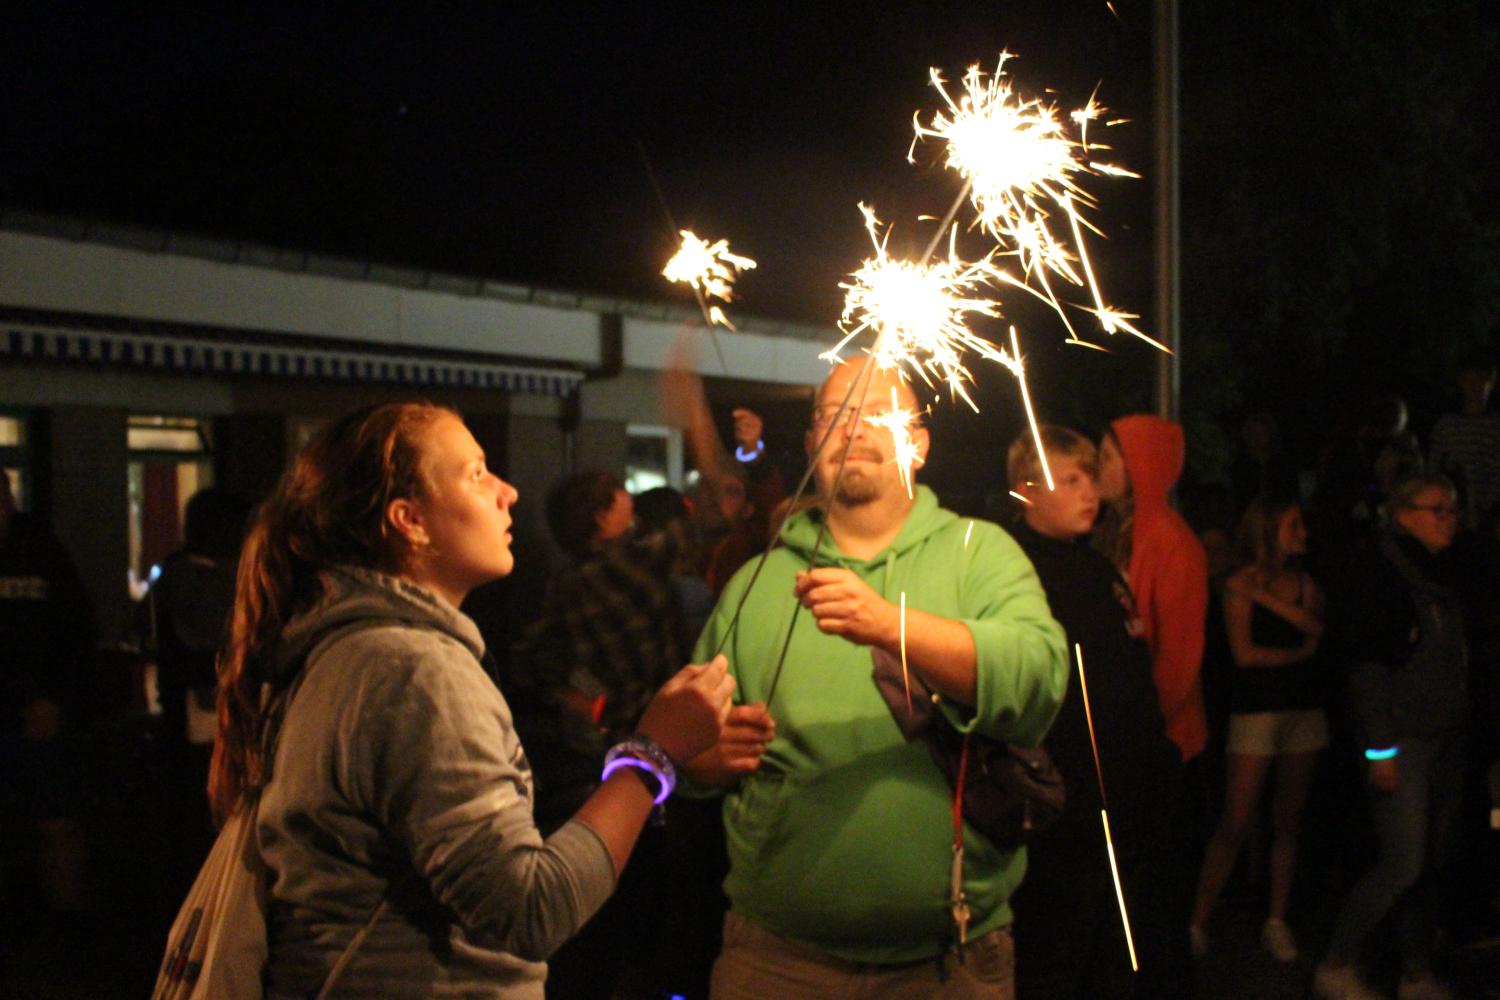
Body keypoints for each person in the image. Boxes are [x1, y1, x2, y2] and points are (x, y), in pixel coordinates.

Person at [207, 401, 734, 998]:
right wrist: (651, 755)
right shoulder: (413, 672)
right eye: (476, 473)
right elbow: (531, 910)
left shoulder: (340, 648)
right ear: (410, 520)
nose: (508, 492)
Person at [688, 360, 1068, 999]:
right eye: (835, 415)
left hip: (948, 962)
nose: (854, 429)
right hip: (774, 959)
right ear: (812, 443)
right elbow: (686, 751)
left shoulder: (979, 552)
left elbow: (1038, 683)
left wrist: (891, 625)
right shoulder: (758, 582)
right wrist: (708, 757)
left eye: (878, 413)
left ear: (918, 444)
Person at [1003, 426, 1177, 999]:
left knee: (1115, 954)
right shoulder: (1011, 572)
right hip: (1064, 807)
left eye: (1090, 478)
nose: (1090, 492)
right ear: (1028, 491)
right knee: (1054, 957)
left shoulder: (1098, 566)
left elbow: (1131, 670)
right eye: (1071, 480)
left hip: (1124, 797)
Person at [1314, 474, 1468, 1000]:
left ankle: (1416, 972)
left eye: (1452, 509)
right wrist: (1381, 750)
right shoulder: (1383, 578)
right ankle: (1337, 962)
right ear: (1404, 516)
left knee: (1428, 862)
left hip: (1445, 734)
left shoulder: (1441, 577)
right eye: (1437, 509)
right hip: (1406, 739)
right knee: (1403, 861)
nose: (1450, 519)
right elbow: (1369, 669)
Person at [1093, 414, 1209, 999]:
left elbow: (1179, 660)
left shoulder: (1170, 541)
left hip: (1163, 747)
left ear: (1140, 465)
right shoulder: (1118, 530)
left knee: (1157, 900)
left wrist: (1143, 734)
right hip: (1132, 742)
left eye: (1109, 456)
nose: (1098, 467)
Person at [1190, 494, 1327, 963]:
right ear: (1270, 529)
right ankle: (1198, 920)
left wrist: (1264, 600)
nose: (1302, 533)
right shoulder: (1239, 582)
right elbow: (1245, 655)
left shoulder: (1300, 582)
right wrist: (1297, 655)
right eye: (1293, 524)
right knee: (1236, 818)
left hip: (1302, 710)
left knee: (1288, 821)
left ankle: (1276, 919)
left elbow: (1317, 627)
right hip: (1256, 711)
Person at [1427, 347, 1500, 530]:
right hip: (1451, 515)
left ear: (1491, 380)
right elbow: (1434, 468)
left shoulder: (1495, 426)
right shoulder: (1446, 426)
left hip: (1488, 517)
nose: (1473, 386)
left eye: (1479, 379)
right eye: (1468, 380)